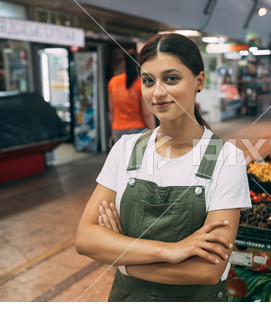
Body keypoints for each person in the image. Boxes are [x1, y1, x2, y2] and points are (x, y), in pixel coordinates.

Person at [75, 33, 251, 302]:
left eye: (171, 78)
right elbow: (86, 239)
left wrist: (122, 259)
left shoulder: (226, 158)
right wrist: (170, 251)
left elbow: (208, 269)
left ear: (199, 81)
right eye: (148, 81)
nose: (158, 92)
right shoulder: (126, 149)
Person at [108, 49, 156, 144]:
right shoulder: (141, 84)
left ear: (123, 62)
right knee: (138, 159)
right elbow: (147, 113)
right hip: (139, 130)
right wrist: (154, 133)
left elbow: (111, 110)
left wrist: (112, 133)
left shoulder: (113, 82)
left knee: (123, 158)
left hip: (118, 130)